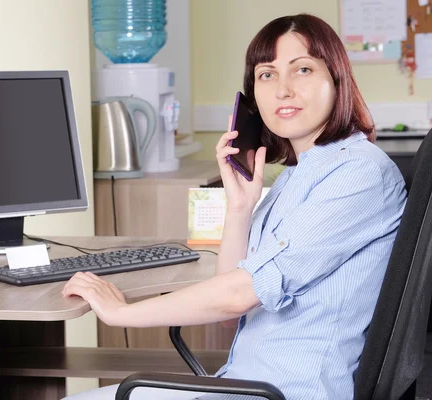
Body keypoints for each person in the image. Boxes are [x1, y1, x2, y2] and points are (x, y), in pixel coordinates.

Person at [62, 13, 407, 400]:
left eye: (303, 69)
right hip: (243, 385)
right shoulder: (295, 177)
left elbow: (238, 296)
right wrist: (240, 207)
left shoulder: (358, 173)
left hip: (288, 392)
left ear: (337, 80)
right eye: (266, 75)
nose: (283, 90)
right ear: (252, 98)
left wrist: (121, 312)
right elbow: (231, 315)